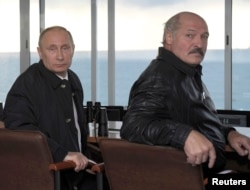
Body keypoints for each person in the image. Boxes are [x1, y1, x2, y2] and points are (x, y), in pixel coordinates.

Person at [120, 11, 250, 176]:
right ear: (169, 38)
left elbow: (197, 121)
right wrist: (184, 135)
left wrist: (229, 134)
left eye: (204, 36)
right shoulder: (160, 76)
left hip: (206, 173)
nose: (199, 43)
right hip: (191, 179)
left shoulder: (187, 73)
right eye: (190, 35)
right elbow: (133, 125)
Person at [3, 26, 108, 190]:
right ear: (40, 52)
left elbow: (77, 131)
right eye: (52, 49)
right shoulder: (26, 84)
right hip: (48, 174)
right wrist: (63, 154)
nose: (60, 56)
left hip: (79, 170)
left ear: (73, 50)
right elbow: (19, 129)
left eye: (65, 48)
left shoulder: (73, 79)